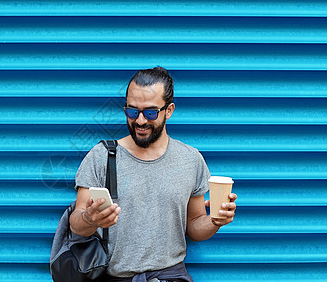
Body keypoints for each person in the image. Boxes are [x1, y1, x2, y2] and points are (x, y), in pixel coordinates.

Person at [69, 67, 237, 281]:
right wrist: (89, 218)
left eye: (150, 113)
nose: (140, 121)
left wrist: (215, 220)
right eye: (132, 111)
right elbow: (76, 224)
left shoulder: (191, 159)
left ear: (169, 110)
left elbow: (194, 227)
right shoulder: (102, 156)